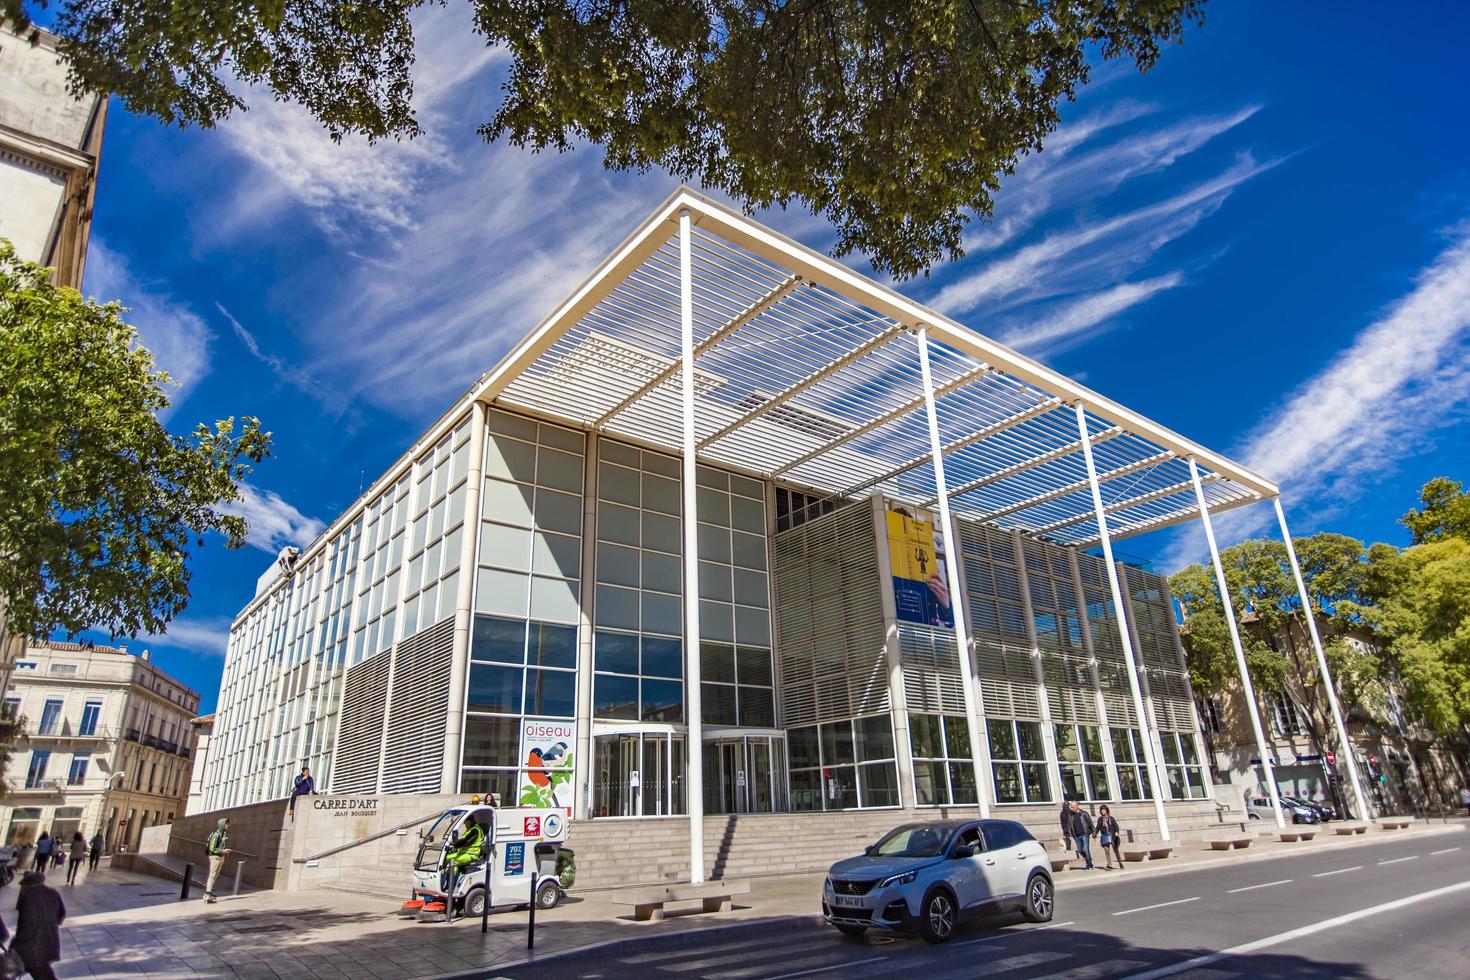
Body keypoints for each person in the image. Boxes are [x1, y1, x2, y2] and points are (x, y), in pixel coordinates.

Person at [14, 871, 66, 980]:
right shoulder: (53, 893)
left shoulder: (28, 897)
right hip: (49, 941)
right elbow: (61, 916)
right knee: (43, 972)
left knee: (41, 973)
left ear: (27, 885)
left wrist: (16, 943)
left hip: (31, 946)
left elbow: (28, 924)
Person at [204, 818, 231, 904]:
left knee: (215, 875)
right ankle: (207, 893)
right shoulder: (217, 835)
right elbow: (212, 849)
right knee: (212, 874)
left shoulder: (223, 834)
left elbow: (221, 846)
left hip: (221, 857)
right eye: (226, 824)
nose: (228, 825)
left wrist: (225, 850)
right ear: (222, 825)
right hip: (215, 857)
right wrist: (222, 851)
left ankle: (210, 892)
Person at [1065, 800, 1095, 870]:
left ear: (1077, 806)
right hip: (1076, 836)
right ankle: (1089, 858)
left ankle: (1089, 865)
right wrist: (1069, 834)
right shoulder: (1070, 815)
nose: (1071, 809)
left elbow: (1090, 823)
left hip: (1084, 834)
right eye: (1071, 807)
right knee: (1080, 850)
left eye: (1073, 807)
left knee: (1086, 849)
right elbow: (1069, 825)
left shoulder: (1084, 813)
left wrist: (1094, 833)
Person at [1096, 805, 1124, 870]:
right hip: (1105, 836)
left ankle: (1120, 863)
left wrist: (1117, 832)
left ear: (1106, 810)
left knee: (1116, 850)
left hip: (1113, 837)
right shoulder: (1100, 819)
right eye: (1101, 810)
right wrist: (1094, 834)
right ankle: (1109, 864)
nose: (1102, 811)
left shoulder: (1111, 818)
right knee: (1107, 851)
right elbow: (1097, 827)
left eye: (1103, 810)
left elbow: (1116, 826)